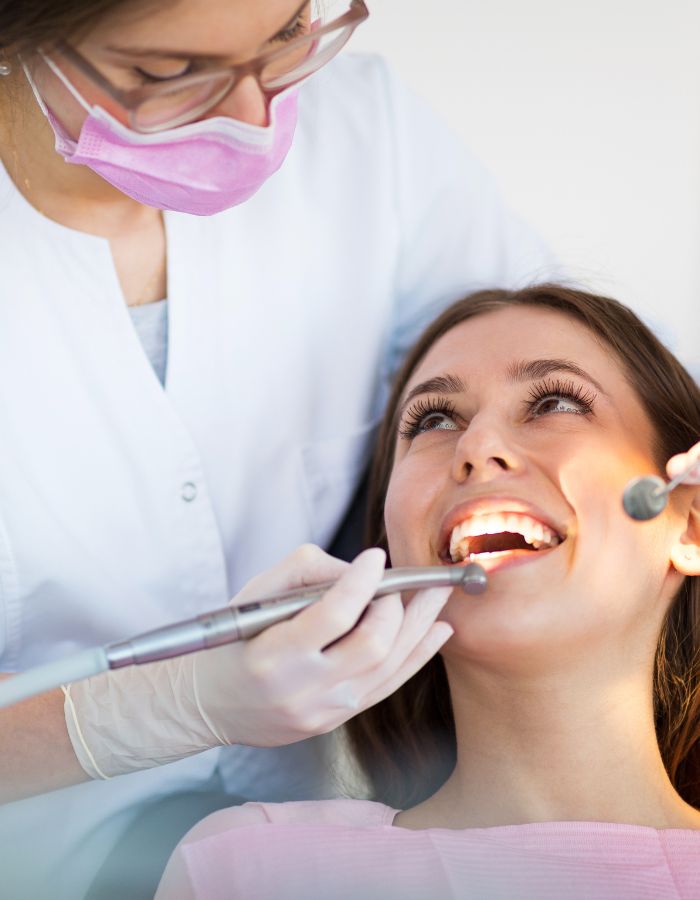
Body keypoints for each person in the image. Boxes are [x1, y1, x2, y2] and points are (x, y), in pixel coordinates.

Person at [0, 1, 562, 897]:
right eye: (166, 71)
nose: (257, 119)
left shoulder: (365, 138)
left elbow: (569, 364)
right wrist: (146, 714)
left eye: (287, 39)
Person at [156, 284, 700, 899]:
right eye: (434, 420)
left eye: (554, 402)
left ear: (688, 524)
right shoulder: (249, 869)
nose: (474, 449)